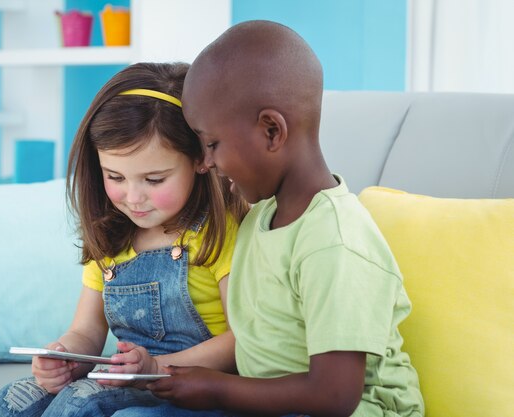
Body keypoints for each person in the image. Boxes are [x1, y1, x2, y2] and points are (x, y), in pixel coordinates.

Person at [125, 20, 425, 417]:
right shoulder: (259, 218)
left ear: (271, 131)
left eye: (212, 143)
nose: (208, 162)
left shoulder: (334, 240)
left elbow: (334, 395)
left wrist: (218, 390)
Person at [0, 62, 248, 417]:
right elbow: (87, 329)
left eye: (154, 180)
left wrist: (154, 368)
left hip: (192, 385)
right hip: (127, 379)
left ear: (199, 158)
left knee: (83, 405)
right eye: (115, 176)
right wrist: (64, 356)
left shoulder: (219, 232)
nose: (133, 197)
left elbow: (241, 342)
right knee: (10, 402)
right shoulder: (111, 236)